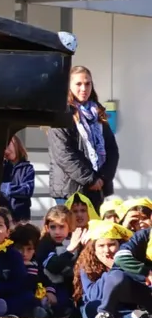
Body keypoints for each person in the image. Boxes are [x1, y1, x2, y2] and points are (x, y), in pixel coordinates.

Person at [48, 65, 119, 212]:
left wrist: (103, 178)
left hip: (96, 189)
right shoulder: (61, 114)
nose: (84, 88)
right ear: (69, 86)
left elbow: (112, 150)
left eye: (87, 84)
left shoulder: (98, 113)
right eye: (78, 84)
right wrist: (90, 179)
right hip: (70, 189)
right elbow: (63, 154)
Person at [0, 135, 35, 225]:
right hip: (2, 216)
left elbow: (27, 189)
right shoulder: (2, 167)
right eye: (3, 146)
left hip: (21, 218)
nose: (6, 149)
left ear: (17, 144)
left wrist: (4, 187)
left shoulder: (27, 168)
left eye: (8, 144)